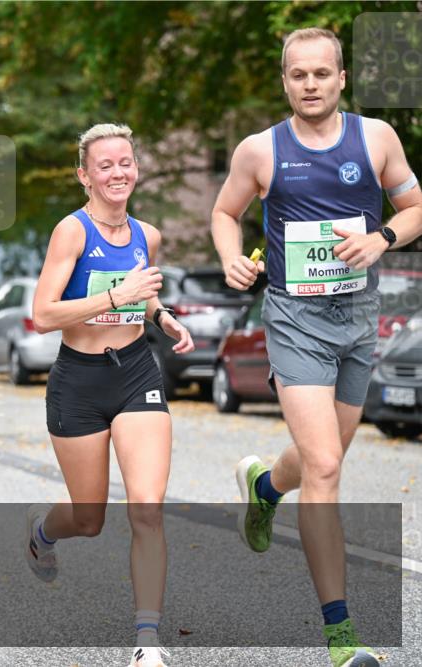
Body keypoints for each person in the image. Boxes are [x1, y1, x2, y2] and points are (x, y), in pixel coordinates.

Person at [211, 27, 422, 667]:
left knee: (318, 458)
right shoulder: (260, 150)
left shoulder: (376, 138)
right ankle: (341, 636)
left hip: (359, 319)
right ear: (285, 81)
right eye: (298, 75)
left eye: (321, 74)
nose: (310, 85)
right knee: (327, 466)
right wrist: (230, 260)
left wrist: (382, 237)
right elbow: (226, 213)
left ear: (340, 79)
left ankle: (267, 488)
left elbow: (415, 206)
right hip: (295, 320)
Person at [26, 123, 194, 667]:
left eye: (125, 162)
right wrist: (113, 294)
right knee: (89, 517)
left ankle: (147, 643)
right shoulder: (70, 233)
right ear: (85, 175)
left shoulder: (148, 235)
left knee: (146, 508)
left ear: (136, 169)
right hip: (78, 379)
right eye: (105, 165)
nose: (117, 172)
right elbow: (44, 313)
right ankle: (43, 532)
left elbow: (141, 296)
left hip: (136, 372)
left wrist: (162, 316)